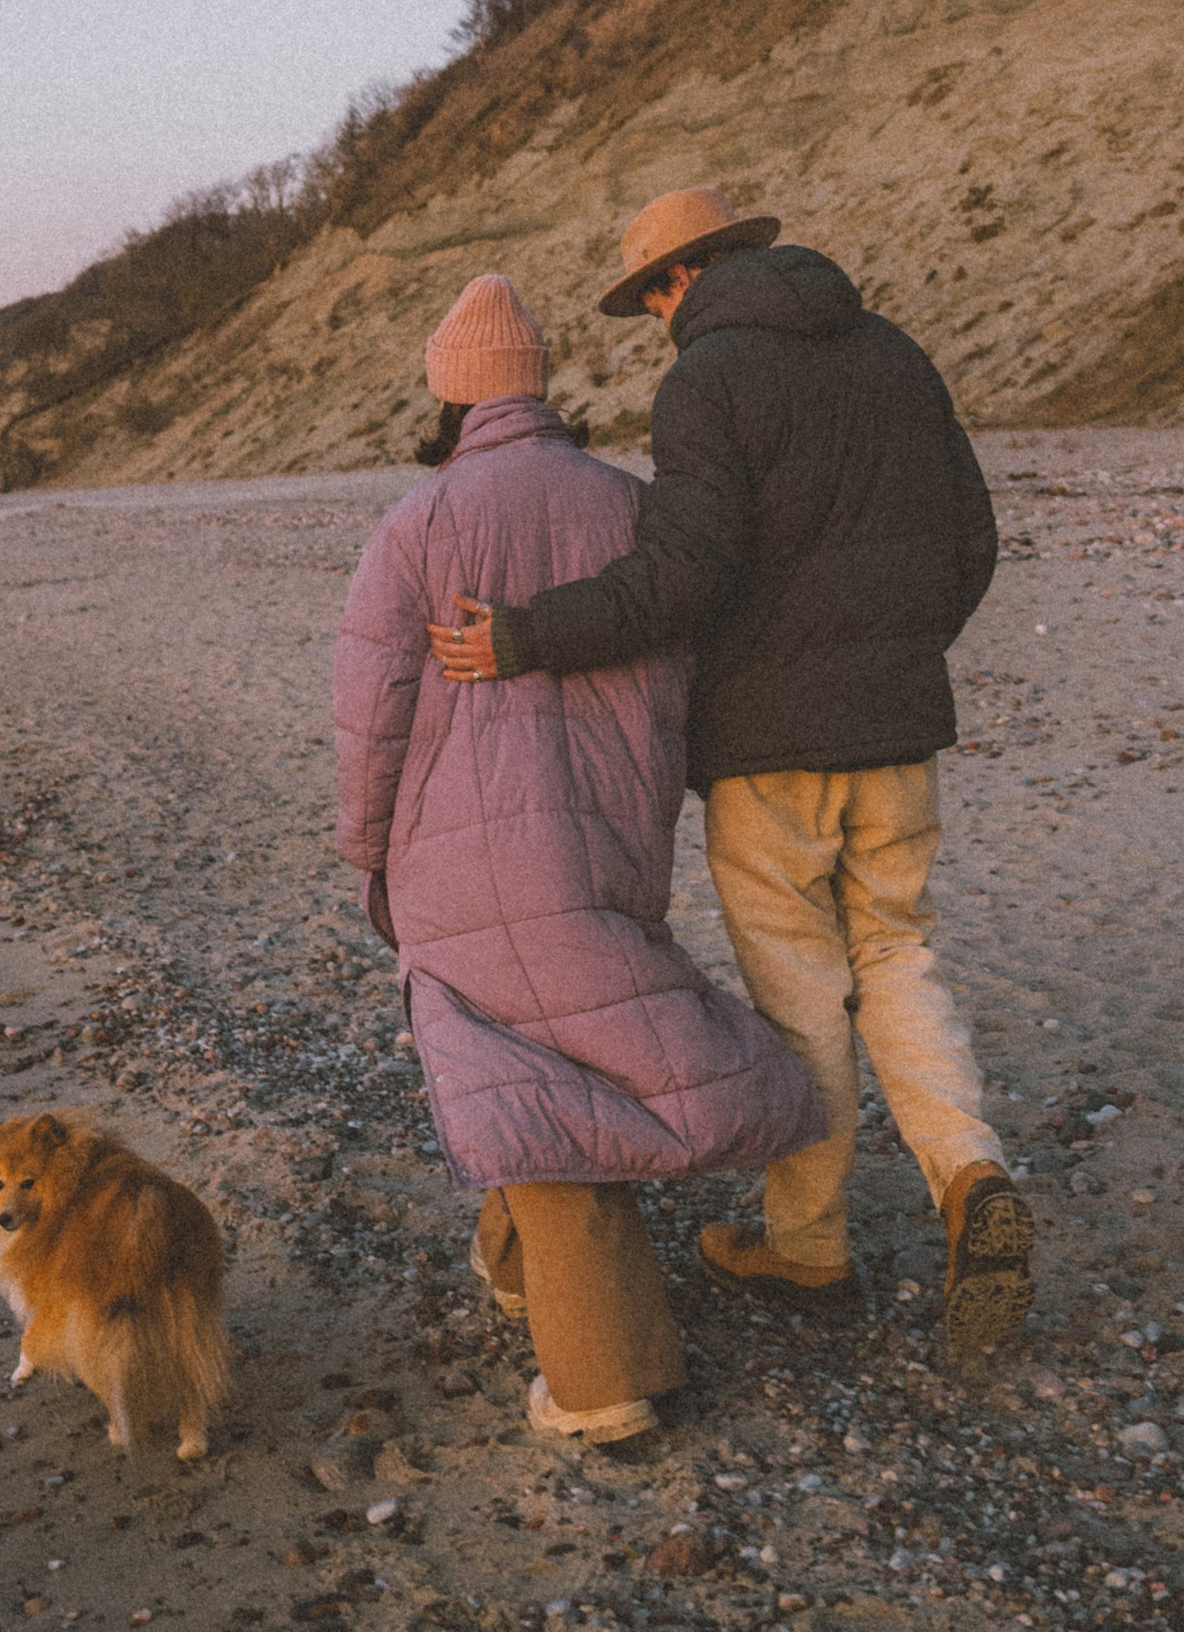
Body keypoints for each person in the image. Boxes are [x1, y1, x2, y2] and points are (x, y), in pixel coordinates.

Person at [428, 186, 1032, 1376]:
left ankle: (806, 1246)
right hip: (898, 732)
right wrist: (894, 657)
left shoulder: (706, 380)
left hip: (768, 750)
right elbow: (971, 537)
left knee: (802, 994)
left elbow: (683, 575)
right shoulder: (892, 351)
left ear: (677, 280)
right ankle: (971, 1174)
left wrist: (525, 636)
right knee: (897, 955)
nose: (657, 320)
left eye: (651, 298)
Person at [333, 271, 822, 1458]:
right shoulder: (633, 508)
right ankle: (514, 1268)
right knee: (543, 1042)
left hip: (460, 848)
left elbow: (371, 718)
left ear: (451, 394)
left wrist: (367, 852)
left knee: (522, 1072)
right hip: (611, 832)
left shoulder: (418, 524)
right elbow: (686, 674)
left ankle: (605, 1375)